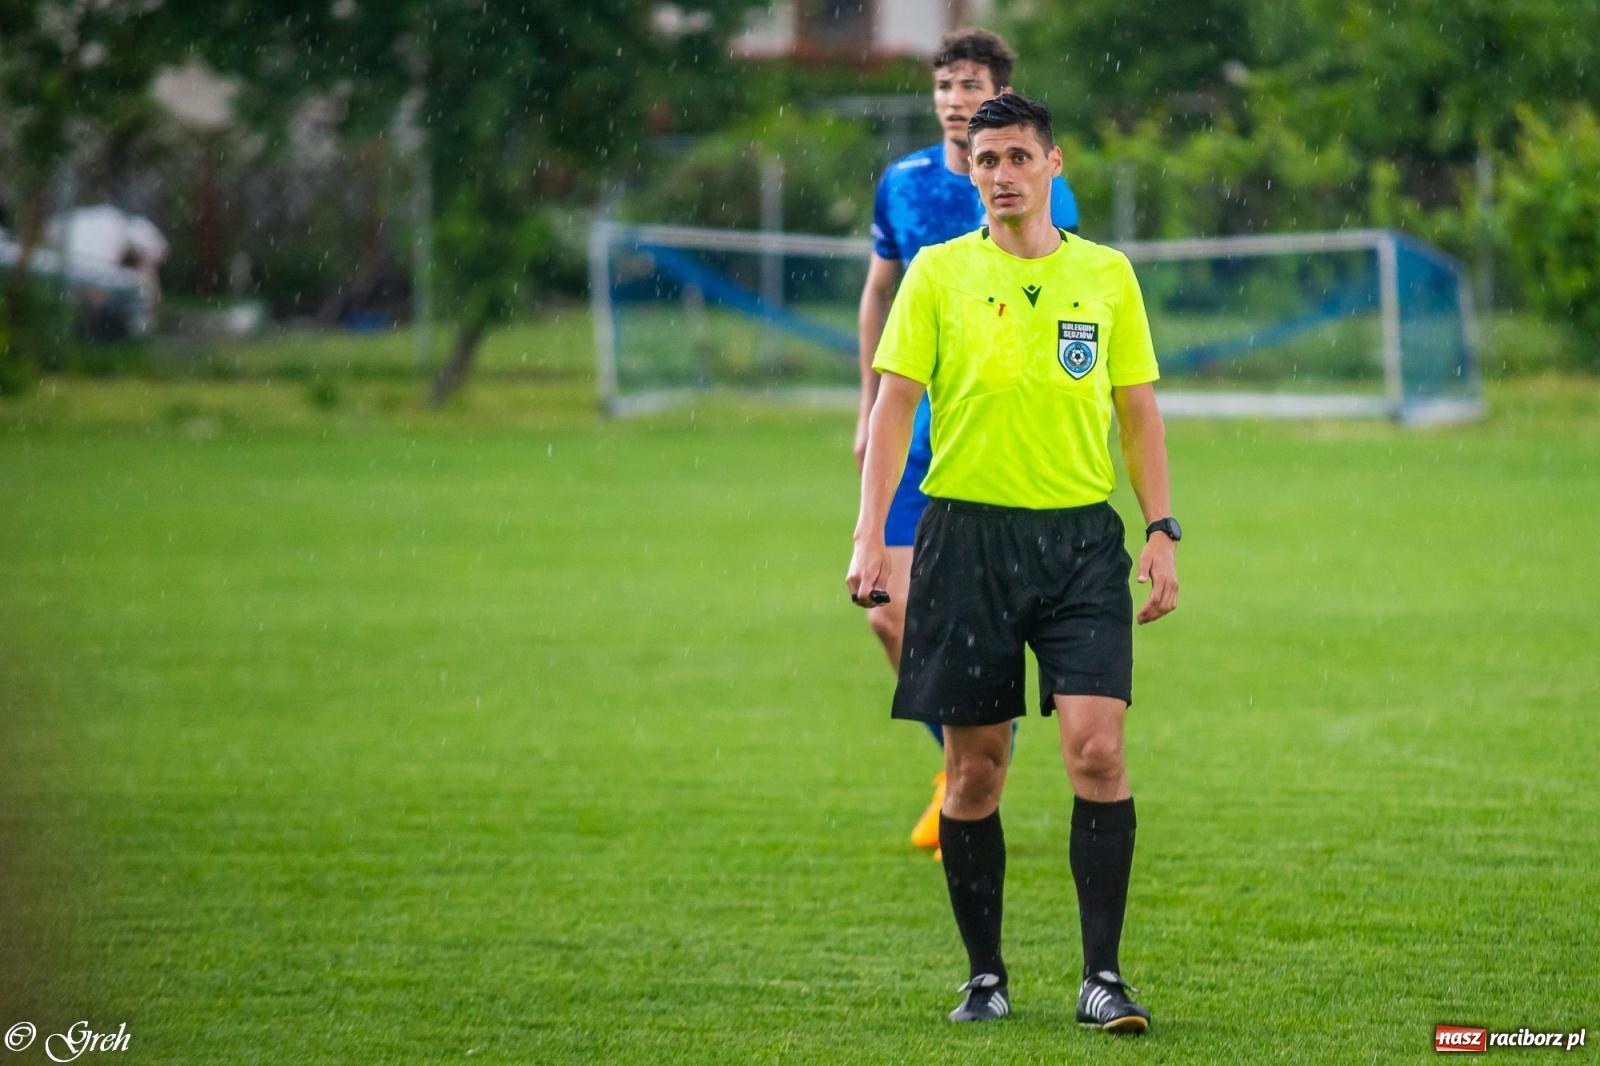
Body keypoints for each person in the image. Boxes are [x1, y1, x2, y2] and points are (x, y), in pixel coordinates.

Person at [846, 92, 1180, 1032]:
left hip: (1079, 544)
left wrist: (1161, 531)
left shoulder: (1107, 276)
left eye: (1016, 158)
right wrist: (870, 533)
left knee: (1099, 751)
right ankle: (985, 975)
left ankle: (1102, 978)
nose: (998, 174)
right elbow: (893, 403)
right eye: (985, 159)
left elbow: (1139, 410)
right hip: (966, 544)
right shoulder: (939, 274)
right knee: (976, 776)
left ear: (1053, 165)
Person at [856, 28, 1079, 857]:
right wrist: (866, 406)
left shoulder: (1028, 184)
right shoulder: (903, 185)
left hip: (992, 447)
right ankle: (963, 761)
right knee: (887, 616)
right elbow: (878, 296)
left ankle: (970, 769)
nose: (955, 98)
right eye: (945, 84)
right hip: (913, 441)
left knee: (991, 623)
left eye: (971, 84)